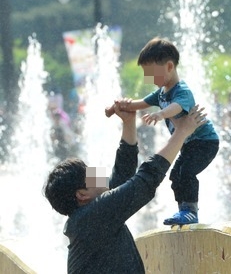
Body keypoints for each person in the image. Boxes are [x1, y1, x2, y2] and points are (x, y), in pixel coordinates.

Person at [44, 102, 207, 273]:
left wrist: (129, 123)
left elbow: (122, 178)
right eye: (90, 174)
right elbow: (144, 181)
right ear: (82, 195)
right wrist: (181, 133)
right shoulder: (92, 217)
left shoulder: (86, 218)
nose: (98, 173)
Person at [105, 37, 220, 225]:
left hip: (205, 142)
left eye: (151, 74)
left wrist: (161, 114)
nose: (148, 79)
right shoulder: (160, 93)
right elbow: (139, 103)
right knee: (176, 174)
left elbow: (177, 107)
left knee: (186, 172)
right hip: (190, 144)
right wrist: (119, 106)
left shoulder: (181, 90)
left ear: (169, 67)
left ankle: (190, 210)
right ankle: (184, 210)